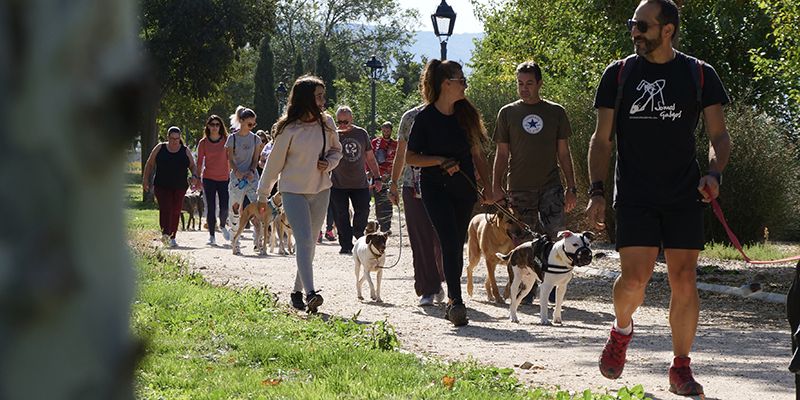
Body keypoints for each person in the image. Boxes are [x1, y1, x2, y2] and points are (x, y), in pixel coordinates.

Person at [586, 0, 731, 395]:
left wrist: (714, 172)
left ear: (667, 30)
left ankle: (680, 367)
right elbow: (601, 139)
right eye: (633, 24)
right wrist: (596, 190)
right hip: (634, 192)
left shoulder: (700, 74)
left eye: (642, 26)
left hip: (685, 192)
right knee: (635, 279)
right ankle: (621, 330)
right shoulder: (618, 75)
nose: (634, 31)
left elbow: (719, 136)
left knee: (684, 279)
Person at [406, 59, 495, 326]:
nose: (465, 84)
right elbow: (412, 157)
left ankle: (453, 298)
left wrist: (489, 189)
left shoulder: (466, 115)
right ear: (447, 84)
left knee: (457, 242)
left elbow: (478, 155)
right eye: (461, 80)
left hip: (463, 188)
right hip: (434, 187)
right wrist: (438, 160)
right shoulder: (424, 118)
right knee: (448, 239)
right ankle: (456, 301)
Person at [256, 75, 342, 313]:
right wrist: (262, 196)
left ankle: (297, 290)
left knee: (309, 244)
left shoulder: (327, 123)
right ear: (306, 99)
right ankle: (312, 293)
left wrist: (330, 163)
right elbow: (273, 165)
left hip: (321, 189)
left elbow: (337, 151)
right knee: (303, 240)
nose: (323, 100)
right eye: (318, 96)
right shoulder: (288, 129)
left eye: (323, 95)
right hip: (293, 191)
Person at [490, 61, 577, 240]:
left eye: (529, 83)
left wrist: (571, 188)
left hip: (551, 188)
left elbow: (564, 153)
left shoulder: (556, 112)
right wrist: (496, 186)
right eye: (520, 83)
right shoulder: (507, 113)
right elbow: (502, 154)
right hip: (519, 188)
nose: (524, 88)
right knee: (523, 244)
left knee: (556, 242)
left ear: (539, 84)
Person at [389, 104, 445, 306]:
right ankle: (427, 287)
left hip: (444, 184)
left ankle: (440, 278)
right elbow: (401, 153)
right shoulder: (410, 117)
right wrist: (393, 183)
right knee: (421, 238)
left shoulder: (454, 113)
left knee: (442, 238)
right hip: (412, 184)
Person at [330, 106, 383, 254]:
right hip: (337, 183)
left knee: (363, 211)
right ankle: (346, 245)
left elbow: (371, 158)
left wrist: (377, 177)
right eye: (339, 122)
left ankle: (358, 234)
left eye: (345, 122)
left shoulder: (361, 133)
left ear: (351, 119)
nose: (342, 125)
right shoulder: (332, 134)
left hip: (359, 183)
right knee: (341, 215)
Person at [142, 126, 200, 247]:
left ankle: (172, 237)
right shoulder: (160, 148)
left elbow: (193, 165)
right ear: (168, 137)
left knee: (176, 210)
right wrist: (145, 180)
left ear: (180, 138)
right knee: (166, 207)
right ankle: (165, 234)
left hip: (179, 186)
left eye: (177, 139)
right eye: (172, 138)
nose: (174, 141)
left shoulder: (184, 150)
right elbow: (150, 164)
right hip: (161, 185)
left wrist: (194, 175)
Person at [225, 106, 260, 250]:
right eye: (249, 124)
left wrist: (252, 170)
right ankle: (235, 241)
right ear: (242, 121)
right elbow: (230, 159)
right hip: (237, 178)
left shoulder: (256, 139)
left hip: (251, 177)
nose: (252, 127)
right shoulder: (232, 138)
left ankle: (258, 241)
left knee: (258, 209)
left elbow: (255, 159)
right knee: (235, 209)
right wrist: (237, 171)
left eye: (254, 124)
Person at [196, 115, 231, 245]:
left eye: (217, 124)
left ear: (220, 126)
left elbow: (231, 159)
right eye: (212, 124)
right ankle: (211, 236)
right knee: (210, 207)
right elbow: (199, 163)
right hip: (208, 178)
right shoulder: (203, 143)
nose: (215, 127)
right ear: (208, 126)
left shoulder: (226, 140)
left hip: (224, 178)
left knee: (224, 207)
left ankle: (222, 225)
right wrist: (197, 178)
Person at [370, 121, 398, 233]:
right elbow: (370, 158)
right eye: (384, 130)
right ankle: (380, 223)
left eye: (388, 130)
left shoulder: (395, 144)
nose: (386, 132)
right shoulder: (375, 142)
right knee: (379, 201)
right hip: (378, 176)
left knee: (388, 201)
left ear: (391, 130)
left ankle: (387, 226)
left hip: (389, 176)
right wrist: (372, 172)